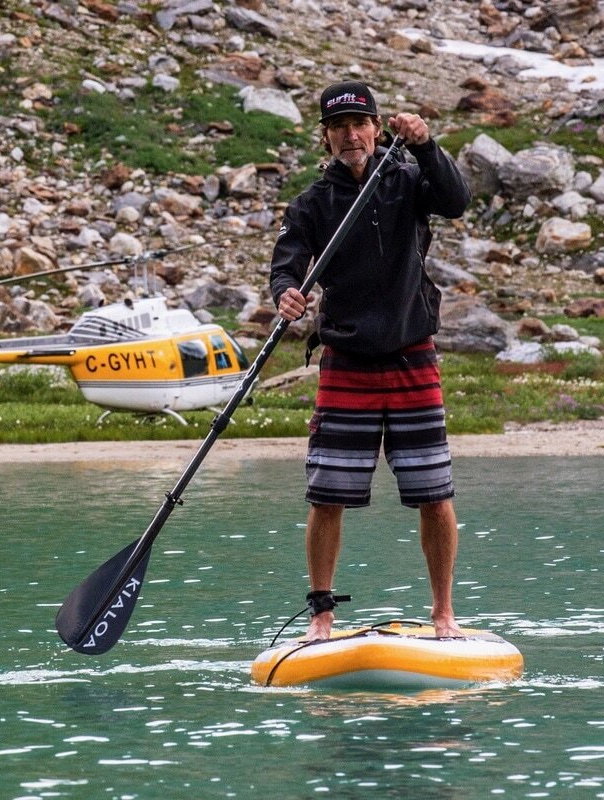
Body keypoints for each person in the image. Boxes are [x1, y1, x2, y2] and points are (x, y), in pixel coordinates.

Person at [270, 79, 472, 641]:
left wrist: (428, 145)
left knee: (434, 494)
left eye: (360, 124)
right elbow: (286, 267)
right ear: (326, 138)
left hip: (411, 356)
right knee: (327, 494)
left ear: (377, 128)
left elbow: (456, 202)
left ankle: (443, 614)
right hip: (346, 359)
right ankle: (321, 616)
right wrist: (286, 294)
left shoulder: (408, 179)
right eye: (339, 127)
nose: (351, 135)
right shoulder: (311, 203)